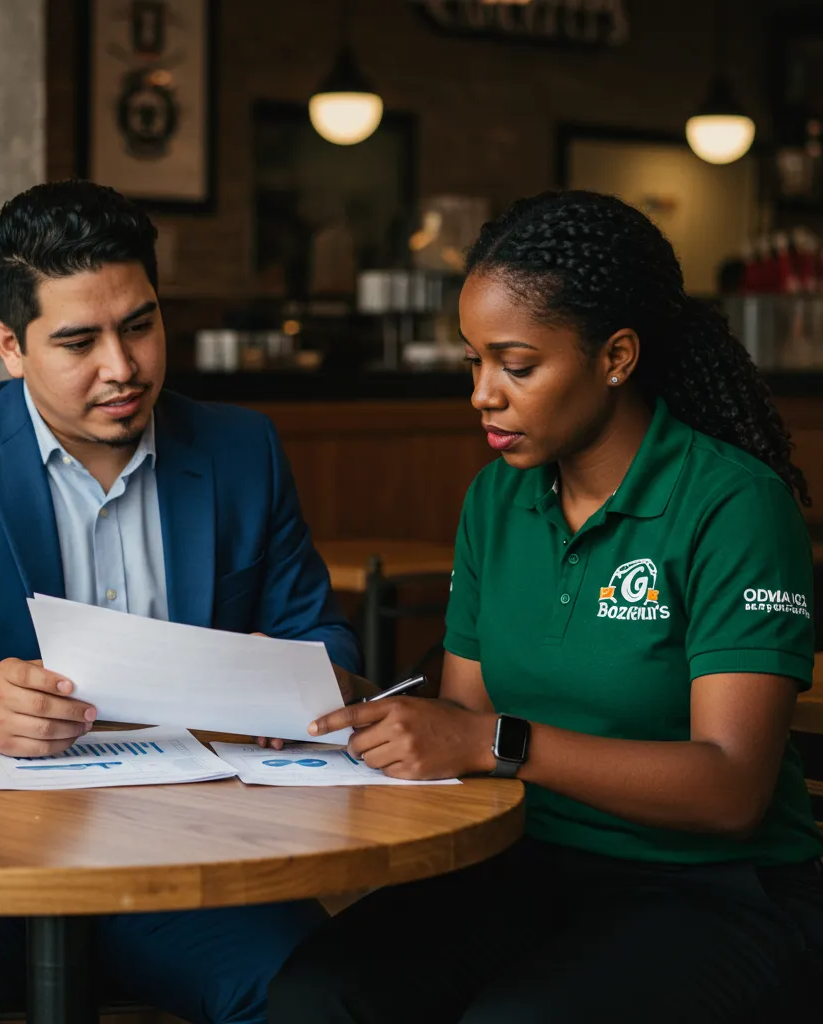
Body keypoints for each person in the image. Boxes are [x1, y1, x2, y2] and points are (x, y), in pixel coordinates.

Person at [0, 180, 360, 1024]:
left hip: (195, 864)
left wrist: (290, 689)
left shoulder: (241, 449)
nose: (123, 366)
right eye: (79, 341)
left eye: (139, 324)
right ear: (9, 344)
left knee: (323, 1000)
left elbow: (322, 635)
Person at [268, 190, 823, 1023]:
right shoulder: (497, 500)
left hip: (710, 892)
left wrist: (496, 741)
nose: (483, 394)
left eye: (516, 366)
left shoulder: (733, 505)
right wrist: (374, 720)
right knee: (318, 996)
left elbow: (731, 787)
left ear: (617, 356)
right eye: (473, 363)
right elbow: (465, 720)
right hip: (522, 863)